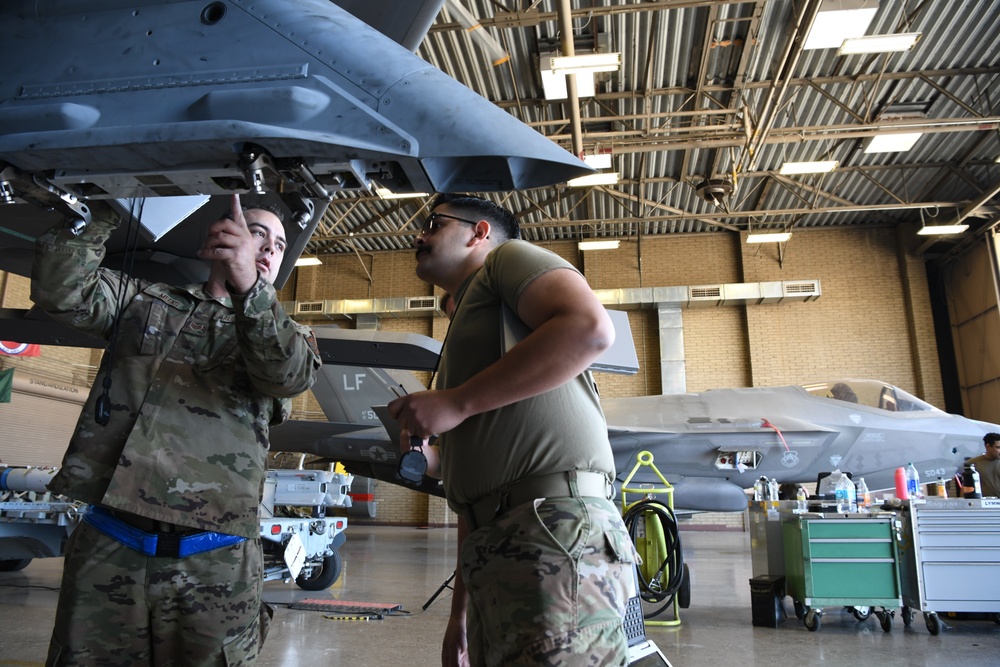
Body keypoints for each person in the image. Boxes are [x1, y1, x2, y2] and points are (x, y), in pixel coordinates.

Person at [31, 195, 322, 666]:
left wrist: (250, 286)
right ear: (218, 236)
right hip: (112, 543)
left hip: (216, 559)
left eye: (280, 243)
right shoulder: (146, 303)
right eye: (257, 232)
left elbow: (286, 375)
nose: (269, 247)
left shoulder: (289, 335)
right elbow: (61, 290)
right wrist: (111, 204)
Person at [387, 195, 635, 667]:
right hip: (501, 542)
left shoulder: (507, 257)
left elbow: (589, 329)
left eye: (434, 224)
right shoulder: (478, 348)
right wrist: (459, 617)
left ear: (480, 232)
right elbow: (473, 500)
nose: (418, 235)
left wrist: (455, 403)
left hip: (549, 526)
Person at [966, 432, 1000, 497]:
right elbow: (967, 487)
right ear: (988, 446)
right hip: (984, 503)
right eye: (998, 447)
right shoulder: (972, 463)